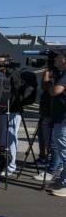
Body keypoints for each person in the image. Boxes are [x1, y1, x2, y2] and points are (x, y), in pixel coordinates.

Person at [0, 54, 24, 178]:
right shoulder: (2, 72)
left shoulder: (13, 73)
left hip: (12, 111)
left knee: (10, 139)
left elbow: (6, 85)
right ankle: (2, 163)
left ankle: (11, 165)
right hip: (1, 110)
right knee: (1, 139)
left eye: (0, 62)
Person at [46, 52, 66, 197]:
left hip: (63, 118)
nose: (55, 59)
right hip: (61, 118)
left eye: (58, 57)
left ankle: (65, 184)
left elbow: (55, 91)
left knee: (64, 151)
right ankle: (63, 181)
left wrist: (51, 85)